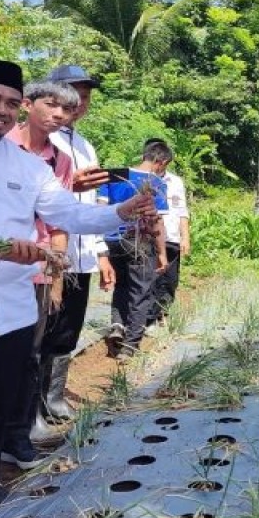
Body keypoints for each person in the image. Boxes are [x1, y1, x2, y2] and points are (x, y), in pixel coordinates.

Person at [0, 61, 158, 513]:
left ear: (19, 106)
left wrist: (121, 214)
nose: (0, 110)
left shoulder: (27, 167)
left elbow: (67, 212)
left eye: (9, 102)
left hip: (9, 304)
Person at [0, 80, 79, 468]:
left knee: (29, 354)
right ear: (27, 105)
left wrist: (57, 270)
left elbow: (59, 216)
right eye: (52, 105)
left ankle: (19, 434)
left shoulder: (59, 159)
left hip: (37, 272)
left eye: (66, 110)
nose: (59, 115)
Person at [43, 65, 111, 420]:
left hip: (80, 256)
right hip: (47, 257)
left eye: (85, 97)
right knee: (42, 331)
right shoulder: (42, 140)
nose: (79, 103)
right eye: (72, 95)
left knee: (69, 329)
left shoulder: (85, 147)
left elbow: (92, 204)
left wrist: (101, 253)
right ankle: (32, 407)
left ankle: (52, 397)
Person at [97, 141, 170, 358]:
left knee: (121, 284)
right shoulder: (155, 182)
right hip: (138, 241)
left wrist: (99, 244)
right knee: (141, 290)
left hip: (111, 239)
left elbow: (99, 210)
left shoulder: (114, 174)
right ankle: (130, 346)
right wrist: (162, 253)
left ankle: (117, 325)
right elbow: (157, 221)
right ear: (161, 162)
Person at [144, 138, 190, 328]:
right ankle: (149, 318)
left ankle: (163, 312)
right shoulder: (142, 179)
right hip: (149, 238)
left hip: (171, 237)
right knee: (151, 279)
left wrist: (185, 237)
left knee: (170, 280)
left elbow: (182, 211)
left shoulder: (176, 182)